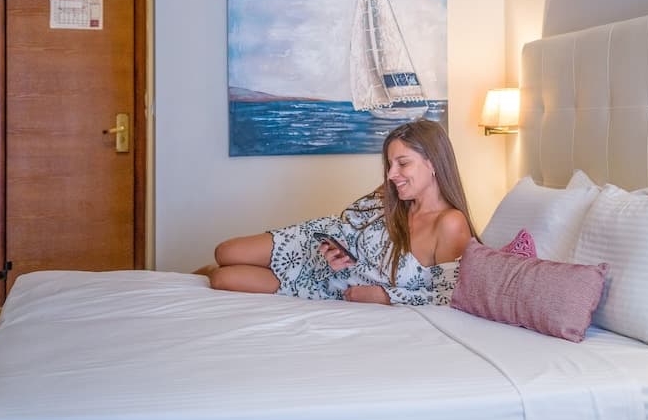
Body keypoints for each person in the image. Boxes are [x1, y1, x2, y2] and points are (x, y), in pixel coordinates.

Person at [199, 118, 475, 305]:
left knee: (223, 278)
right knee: (225, 252)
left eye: (403, 163)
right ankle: (209, 269)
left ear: (432, 163)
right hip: (314, 247)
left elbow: (453, 296)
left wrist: (384, 296)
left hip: (329, 285)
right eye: (390, 164)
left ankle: (207, 273)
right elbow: (347, 222)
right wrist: (335, 251)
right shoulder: (393, 195)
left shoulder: (450, 224)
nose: (392, 174)